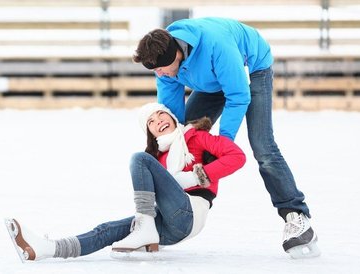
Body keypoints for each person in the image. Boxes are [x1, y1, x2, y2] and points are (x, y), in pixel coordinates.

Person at [132, 17, 320, 259]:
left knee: (263, 147)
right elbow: (173, 121)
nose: (159, 74)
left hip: (252, 69)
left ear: (175, 55)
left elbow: (238, 96)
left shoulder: (216, 46)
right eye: (154, 70)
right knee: (184, 137)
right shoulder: (162, 58)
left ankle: (296, 216)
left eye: (160, 69)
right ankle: (172, 208)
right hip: (214, 79)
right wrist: (175, 140)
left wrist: (224, 143)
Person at [5, 102, 246, 261]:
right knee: (107, 230)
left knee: (139, 159)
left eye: (161, 113)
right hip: (171, 228)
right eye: (151, 122)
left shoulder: (197, 137)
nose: (158, 120)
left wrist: (196, 176)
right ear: (151, 133)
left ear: (171, 116)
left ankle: (145, 227)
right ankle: (50, 249)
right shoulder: (157, 159)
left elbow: (238, 156)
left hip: (191, 212)